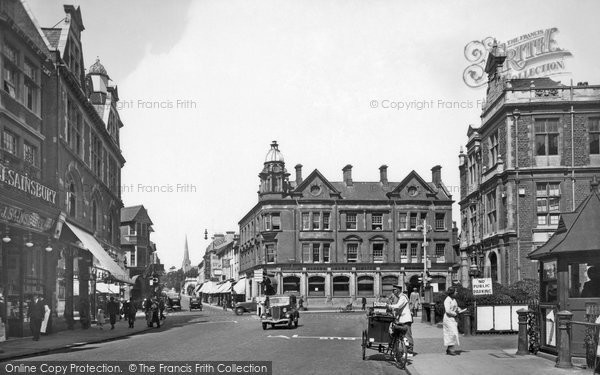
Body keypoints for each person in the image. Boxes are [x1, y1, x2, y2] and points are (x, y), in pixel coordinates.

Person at [388, 284, 414, 356]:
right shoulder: (400, 297)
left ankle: (410, 351)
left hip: (406, 319)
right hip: (402, 319)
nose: (393, 291)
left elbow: (398, 306)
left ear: (399, 290)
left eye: (395, 290)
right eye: (393, 290)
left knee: (407, 335)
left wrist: (389, 306)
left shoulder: (403, 297)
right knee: (399, 334)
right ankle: (400, 349)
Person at [443, 287, 466, 355]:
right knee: (452, 333)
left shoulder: (454, 300)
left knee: (452, 333)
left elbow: (456, 307)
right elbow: (447, 310)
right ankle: (451, 349)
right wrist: (455, 313)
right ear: (452, 293)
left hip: (453, 319)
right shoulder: (447, 300)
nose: (456, 293)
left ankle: (449, 349)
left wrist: (459, 309)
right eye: (455, 292)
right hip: (448, 318)